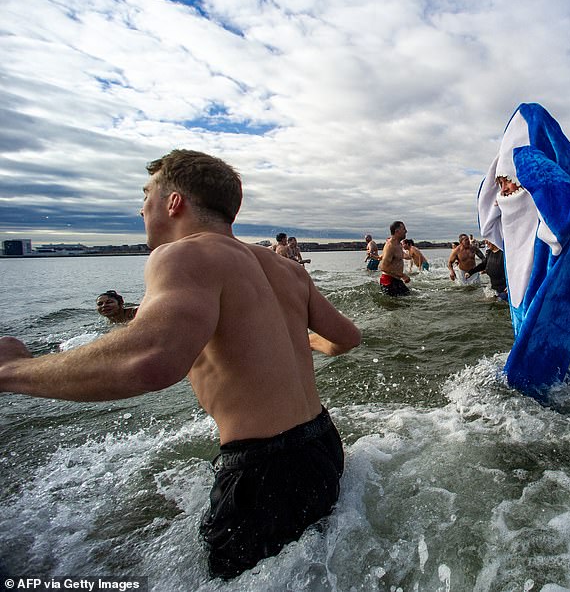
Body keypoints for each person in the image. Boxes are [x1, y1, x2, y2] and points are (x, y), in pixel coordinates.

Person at [0, 150, 361, 580]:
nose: (141, 208)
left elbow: (152, 362)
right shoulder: (283, 268)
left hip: (263, 469)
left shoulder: (182, 255)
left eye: (147, 195)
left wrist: (13, 371)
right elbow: (346, 337)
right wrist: (297, 342)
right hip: (322, 442)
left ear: (174, 202)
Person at [378, 222, 411, 296]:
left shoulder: (398, 244)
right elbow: (383, 267)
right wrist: (402, 275)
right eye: (404, 229)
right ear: (397, 231)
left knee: (410, 298)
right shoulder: (390, 246)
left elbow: (399, 256)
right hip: (388, 281)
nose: (406, 231)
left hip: (396, 280)